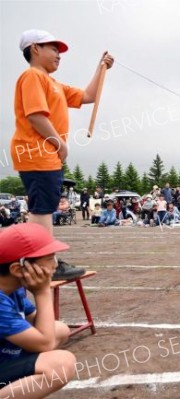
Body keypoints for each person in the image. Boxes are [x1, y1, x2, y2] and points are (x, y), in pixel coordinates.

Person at [10, 29, 113, 280]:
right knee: (42, 209)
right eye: (53, 48)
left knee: (44, 207)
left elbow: (88, 96)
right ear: (35, 49)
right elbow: (35, 115)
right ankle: (46, 263)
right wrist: (60, 144)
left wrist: (101, 69)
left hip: (47, 155)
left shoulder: (53, 83)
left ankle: (45, 260)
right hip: (37, 152)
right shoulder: (33, 76)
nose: (59, 55)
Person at [0, 223, 77, 398]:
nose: (55, 265)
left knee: (60, 329)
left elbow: (39, 322)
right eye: (49, 258)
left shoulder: (13, 287)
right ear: (18, 269)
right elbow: (45, 342)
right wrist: (43, 292)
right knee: (61, 365)